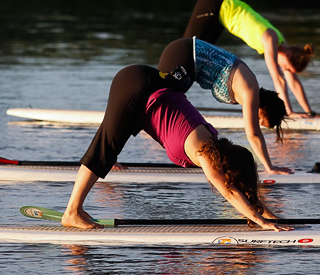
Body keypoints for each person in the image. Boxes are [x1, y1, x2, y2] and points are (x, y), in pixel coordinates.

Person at [62, 65, 292, 232]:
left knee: (111, 146)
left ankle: (77, 208)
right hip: (138, 86)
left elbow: (237, 187)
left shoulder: (213, 141)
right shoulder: (206, 154)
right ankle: (72, 211)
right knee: (104, 150)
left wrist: (270, 216)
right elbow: (230, 191)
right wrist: (261, 221)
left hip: (146, 83)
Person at [158, 37, 293, 175]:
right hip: (185, 53)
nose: (255, 121)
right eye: (259, 119)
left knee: (163, 101)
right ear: (265, 109)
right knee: (159, 98)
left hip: (187, 59)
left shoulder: (250, 88)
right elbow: (254, 134)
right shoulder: (250, 91)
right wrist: (269, 167)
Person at [182, 0, 315, 117]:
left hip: (220, 14)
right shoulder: (270, 39)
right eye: (286, 68)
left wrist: (310, 113)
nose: (284, 69)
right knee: (186, 53)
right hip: (214, 4)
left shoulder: (281, 41)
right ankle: (173, 102)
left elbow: (294, 82)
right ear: (289, 55)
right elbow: (279, 80)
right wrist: (288, 112)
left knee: (196, 58)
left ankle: (178, 102)